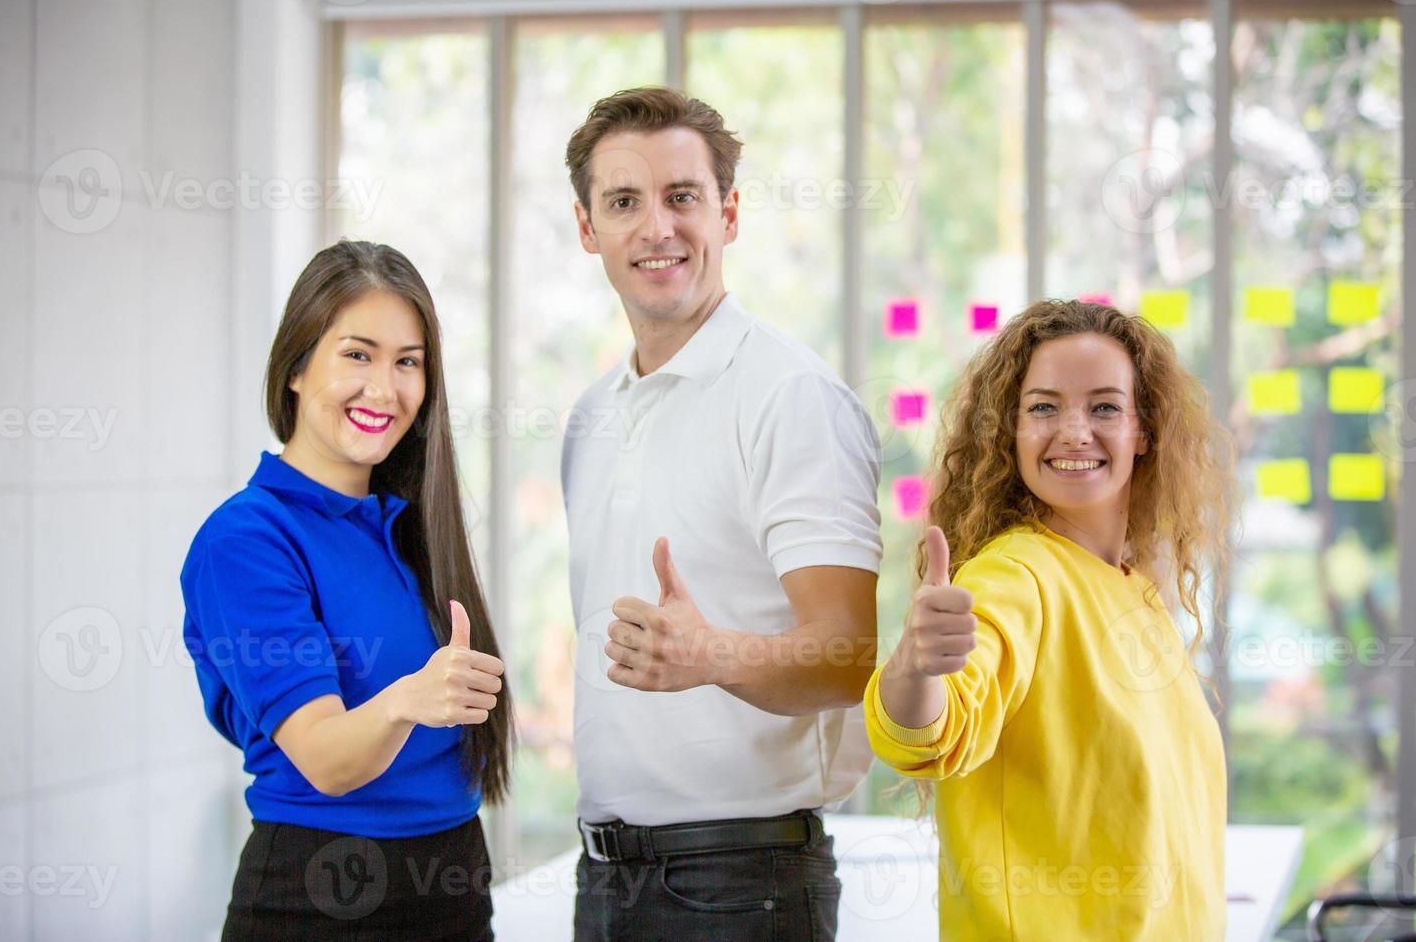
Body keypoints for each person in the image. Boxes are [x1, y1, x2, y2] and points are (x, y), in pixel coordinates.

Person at [559, 86, 884, 941]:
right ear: (588, 228)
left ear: (728, 214)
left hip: (743, 886)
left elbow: (850, 657)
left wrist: (711, 655)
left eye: (683, 197)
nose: (656, 227)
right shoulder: (592, 417)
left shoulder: (790, 396)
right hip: (603, 878)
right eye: (624, 202)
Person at [866, 299, 1233, 940]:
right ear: (1008, 432)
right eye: (1043, 407)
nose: (1073, 431)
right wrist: (916, 664)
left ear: (1144, 432)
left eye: (1104, 407)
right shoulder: (1014, 578)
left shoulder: (1137, 595)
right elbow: (926, 733)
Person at [180, 240, 514, 941]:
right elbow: (329, 760)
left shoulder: (410, 527)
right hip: (324, 894)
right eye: (357, 355)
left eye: (408, 362)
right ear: (298, 366)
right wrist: (410, 699)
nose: (384, 388)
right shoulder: (246, 540)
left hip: (453, 879)